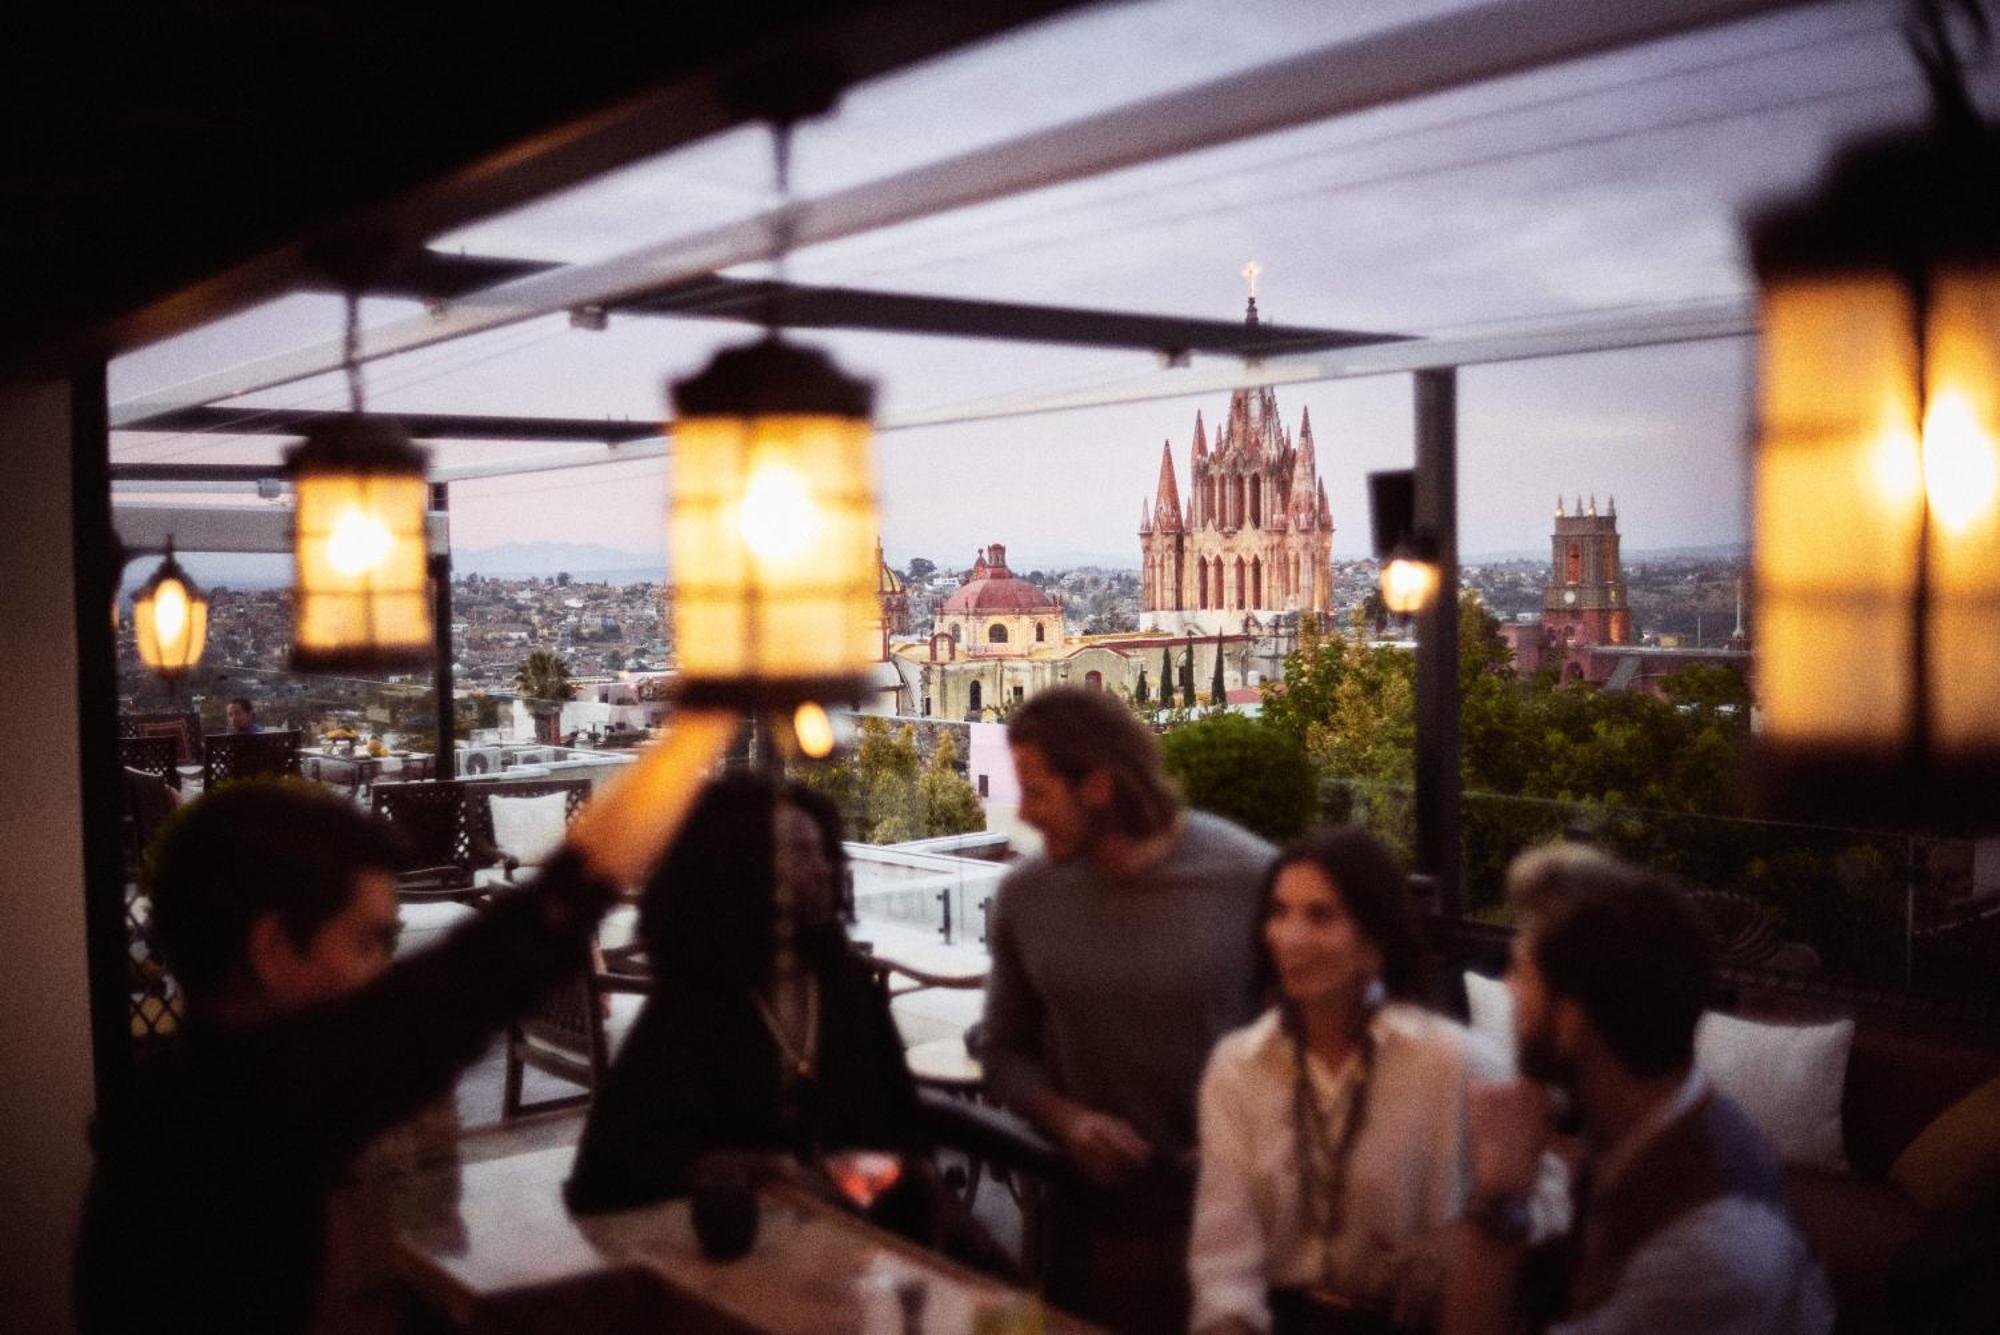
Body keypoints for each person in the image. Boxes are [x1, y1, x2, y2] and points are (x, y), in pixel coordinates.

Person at [75, 778, 622, 1335]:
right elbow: (503, 953)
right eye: (366, 943)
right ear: (274, 950)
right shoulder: (255, 1131)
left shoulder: (173, 1117)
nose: (385, 973)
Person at [1442, 846, 1834, 1335]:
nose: (1507, 987)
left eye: (1521, 972)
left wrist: (1498, 1202)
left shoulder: (1708, 1251)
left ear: (1571, 1022)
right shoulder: (1652, 1124)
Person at [981, 686, 1274, 1334]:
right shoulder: (1026, 897)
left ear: (1099, 786)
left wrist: (1248, 1140)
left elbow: (1312, 1044)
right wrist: (1068, 1119)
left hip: (1244, 1228)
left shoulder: (1250, 877)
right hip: (1087, 1229)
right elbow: (1002, 1047)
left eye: (1036, 789)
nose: (1023, 814)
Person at [1190, 827, 1553, 1335]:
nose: (1290, 937)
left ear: (1374, 942)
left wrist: (1469, 1231)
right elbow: (1224, 1262)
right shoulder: (1237, 1068)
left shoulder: (1448, 1060)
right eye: (1279, 911)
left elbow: (1549, 1181)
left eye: (1321, 915)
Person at [564, 773, 935, 1238]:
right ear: (742, 868)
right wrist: (745, 1170)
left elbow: (903, 1127)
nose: (824, 869)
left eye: (824, 851)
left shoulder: (846, 984)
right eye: (801, 853)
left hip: (870, 1253)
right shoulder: (695, 1007)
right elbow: (607, 1176)